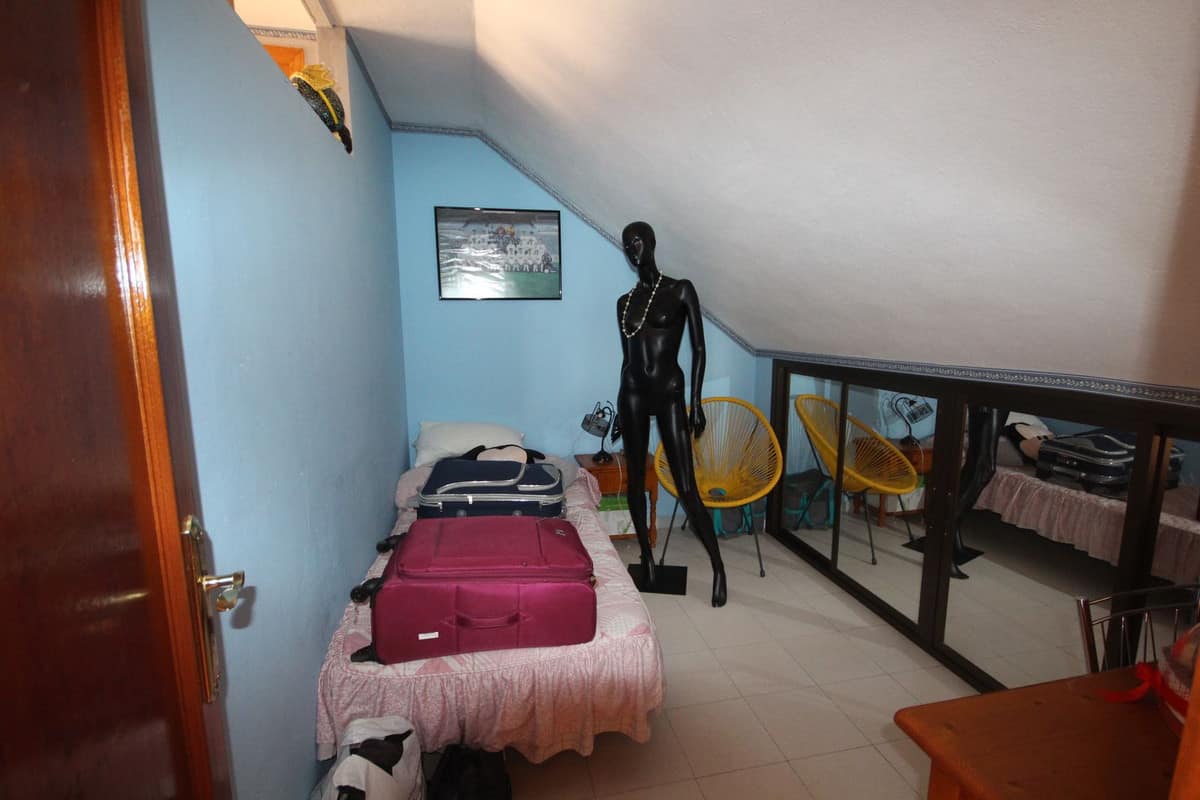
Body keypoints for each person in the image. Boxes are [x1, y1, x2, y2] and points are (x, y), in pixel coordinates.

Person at [610, 221, 727, 607]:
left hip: (669, 393)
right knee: (634, 482)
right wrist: (618, 407)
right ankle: (646, 556)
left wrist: (697, 402)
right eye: (626, 245)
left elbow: (699, 349)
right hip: (632, 394)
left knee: (686, 485)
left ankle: (718, 568)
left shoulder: (680, 289)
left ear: (652, 242)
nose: (632, 250)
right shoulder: (624, 303)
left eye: (637, 242)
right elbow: (627, 359)